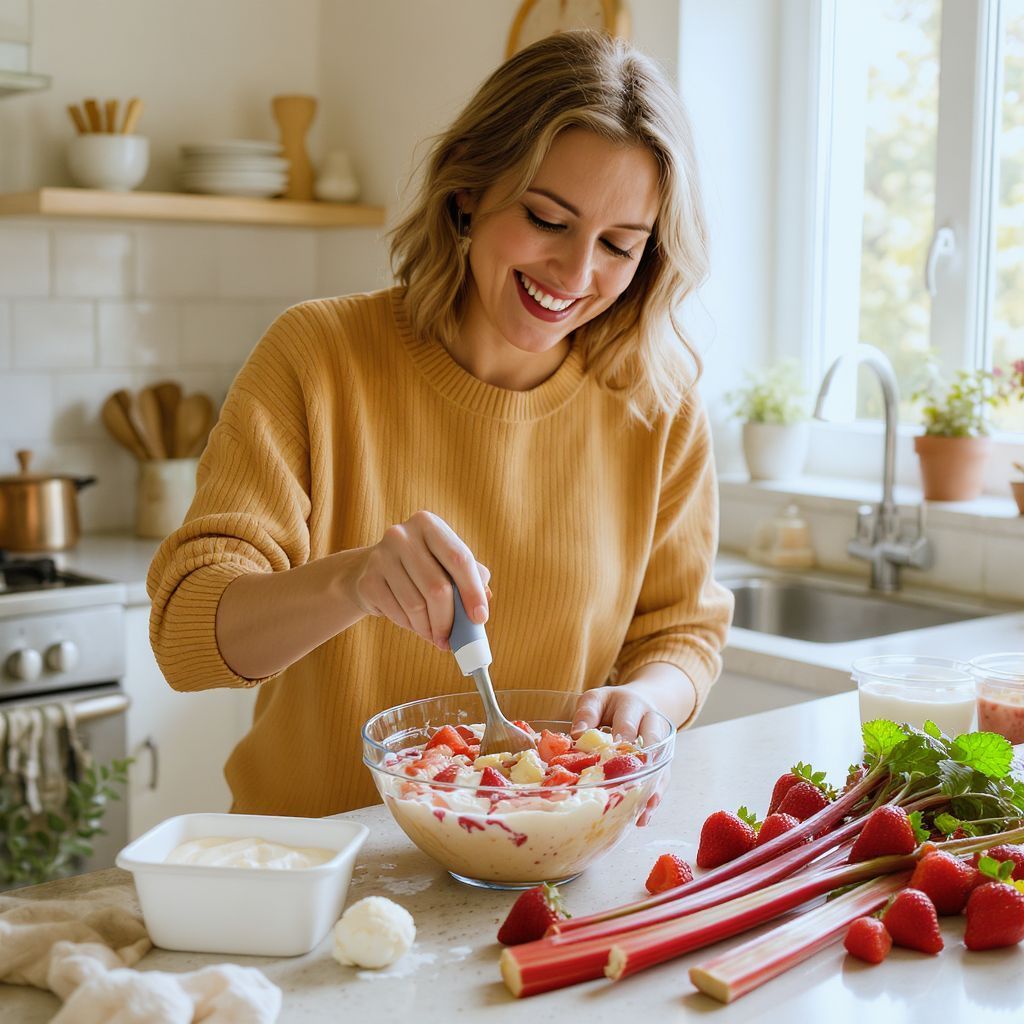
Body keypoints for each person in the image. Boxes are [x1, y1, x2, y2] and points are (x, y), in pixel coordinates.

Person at [147, 29, 734, 819]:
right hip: (308, 872)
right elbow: (189, 634)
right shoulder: (318, 356)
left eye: (619, 246)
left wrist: (644, 700)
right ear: (467, 191)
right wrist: (350, 581)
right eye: (547, 218)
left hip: (542, 865)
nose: (576, 273)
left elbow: (683, 630)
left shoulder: (656, 404)